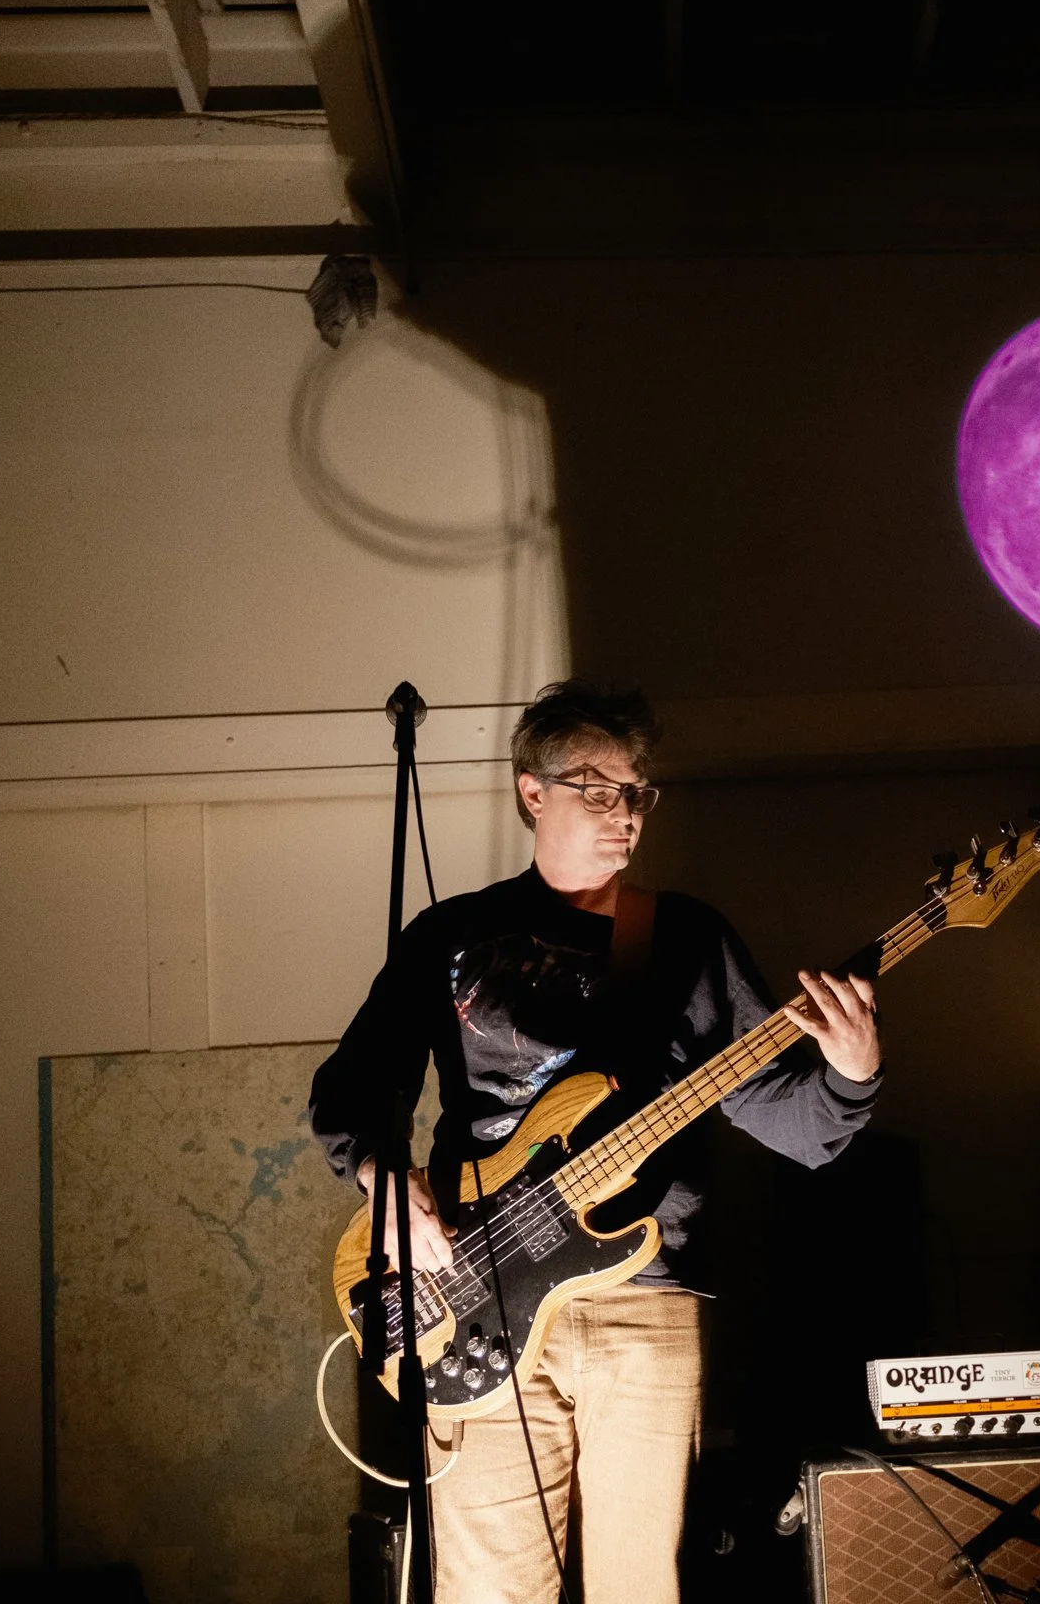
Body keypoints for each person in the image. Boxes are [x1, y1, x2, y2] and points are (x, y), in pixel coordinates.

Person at [307, 681, 883, 1604]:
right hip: (475, 1289)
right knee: (490, 1591)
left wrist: (850, 1072)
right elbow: (350, 1092)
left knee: (639, 1589)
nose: (626, 816)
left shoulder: (688, 938)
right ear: (532, 792)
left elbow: (791, 1123)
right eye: (598, 790)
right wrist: (384, 1184)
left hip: (645, 1300)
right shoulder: (450, 936)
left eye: (638, 794)